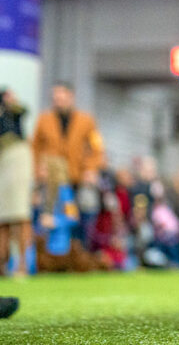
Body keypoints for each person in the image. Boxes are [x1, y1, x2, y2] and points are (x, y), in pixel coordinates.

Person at [31, 82, 106, 218]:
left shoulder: (86, 121)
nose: (58, 102)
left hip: (77, 177)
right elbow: (35, 148)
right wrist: (38, 170)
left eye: (62, 99)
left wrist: (91, 169)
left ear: (71, 97)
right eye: (55, 99)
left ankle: (74, 238)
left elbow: (96, 148)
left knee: (75, 216)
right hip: (51, 178)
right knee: (49, 217)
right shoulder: (44, 119)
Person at [0, 88, 33, 277]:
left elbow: (23, 110)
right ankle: (2, 264)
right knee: (3, 218)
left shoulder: (15, 112)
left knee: (20, 215)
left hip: (17, 160)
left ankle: (22, 264)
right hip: (2, 162)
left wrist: (9, 103)